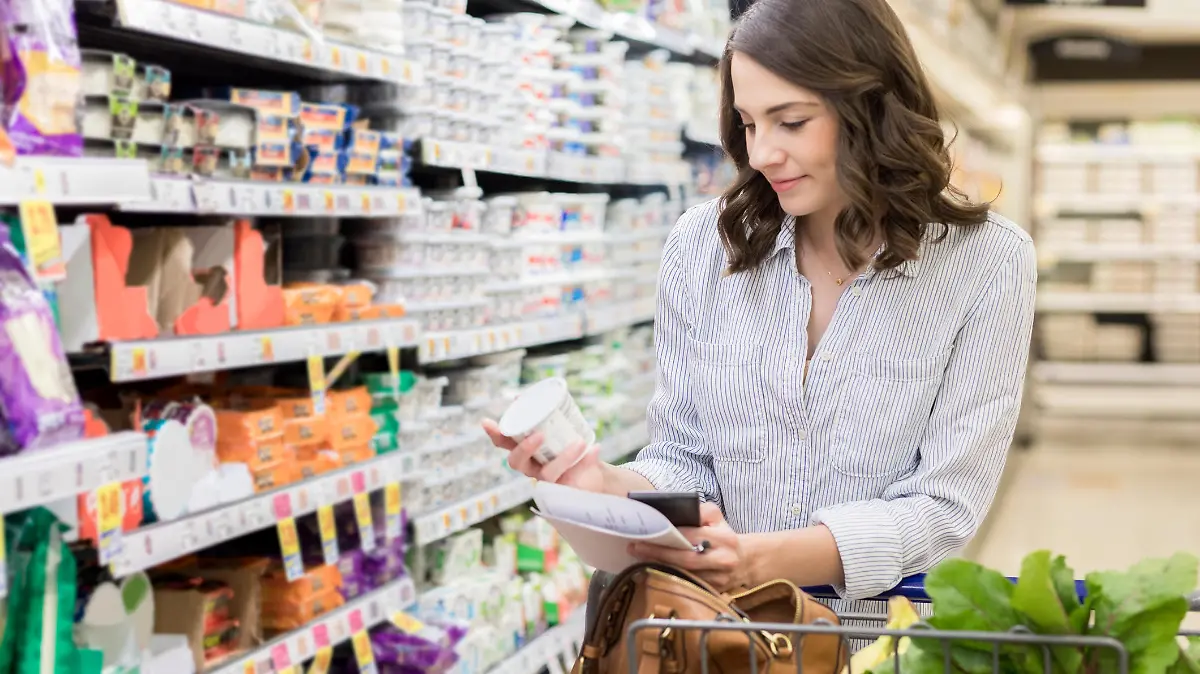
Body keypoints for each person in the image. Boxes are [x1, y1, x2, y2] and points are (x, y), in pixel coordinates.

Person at [484, 0, 1037, 603]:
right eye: (749, 123)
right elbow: (684, 459)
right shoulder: (704, 246)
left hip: (879, 644)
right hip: (718, 638)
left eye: (791, 121)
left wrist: (762, 560)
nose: (761, 154)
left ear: (873, 108)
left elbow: (943, 504)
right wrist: (601, 484)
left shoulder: (986, 263)